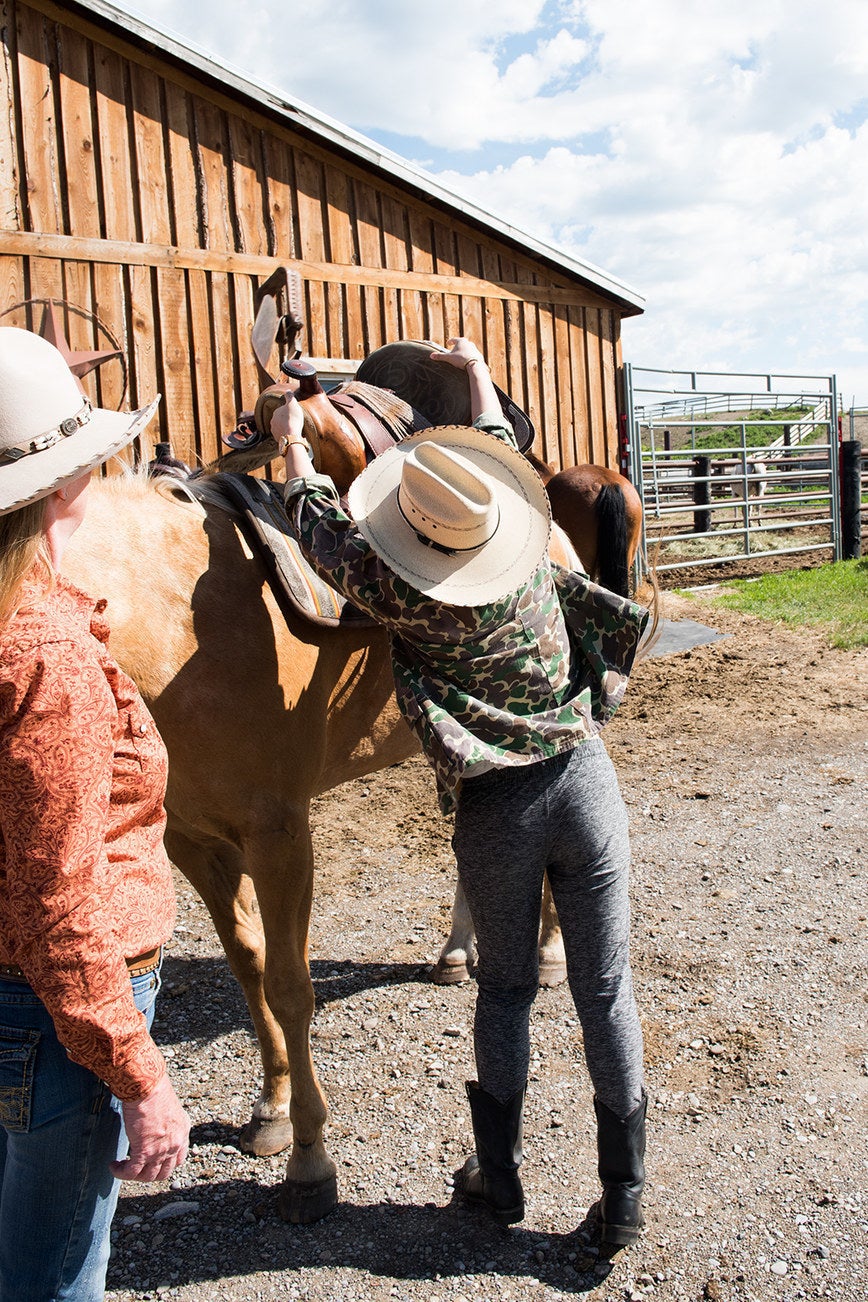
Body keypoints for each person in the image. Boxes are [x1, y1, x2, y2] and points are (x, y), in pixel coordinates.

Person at [271, 336, 649, 1251]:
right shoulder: (522, 537)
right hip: (587, 780)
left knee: (506, 992)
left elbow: (318, 528)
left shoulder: (401, 587)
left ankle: (499, 1182)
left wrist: (289, 439)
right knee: (604, 989)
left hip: (498, 808)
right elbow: (493, 443)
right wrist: (476, 367)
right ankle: (625, 1196)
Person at [0, 327, 190, 1302]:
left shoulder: (31, 624)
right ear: (62, 486)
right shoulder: (47, 661)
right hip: (56, 1015)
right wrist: (140, 1077)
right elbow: (59, 903)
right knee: (55, 1269)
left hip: (20, 999)